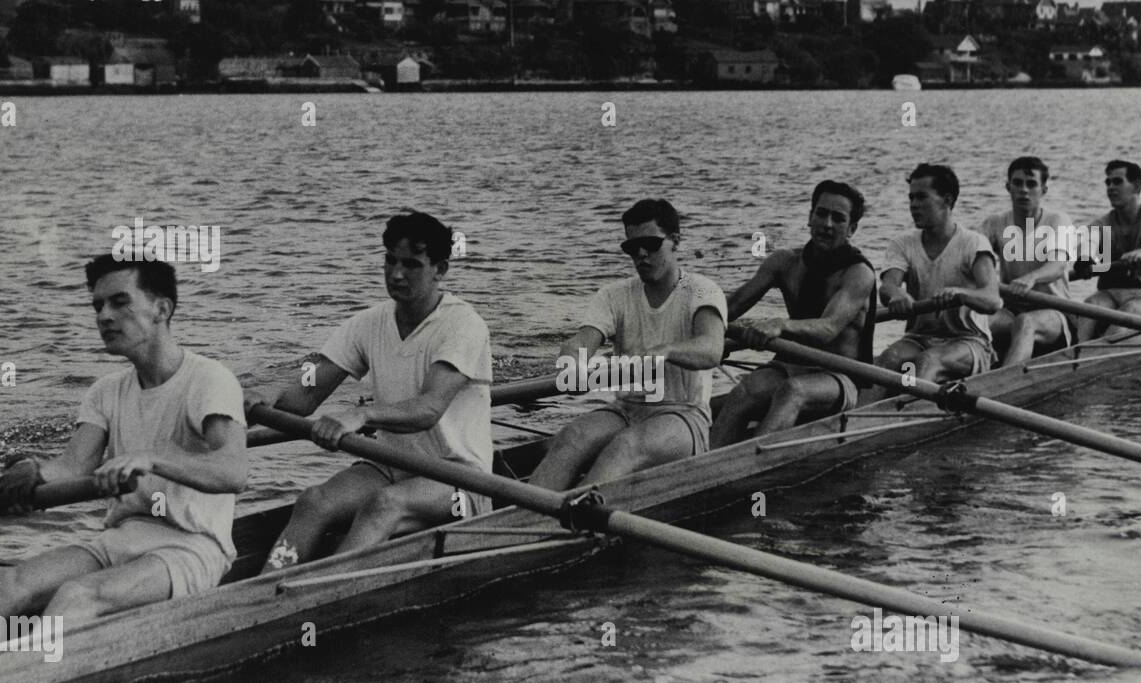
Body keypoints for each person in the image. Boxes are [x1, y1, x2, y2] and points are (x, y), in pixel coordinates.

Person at [0, 256, 247, 628]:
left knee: (76, 596)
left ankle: (32, 678)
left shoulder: (210, 379)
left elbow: (234, 472)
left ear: (162, 309)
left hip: (192, 548)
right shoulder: (105, 391)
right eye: (98, 305)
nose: (104, 316)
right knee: (8, 584)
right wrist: (32, 470)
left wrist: (151, 459)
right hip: (120, 539)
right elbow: (72, 467)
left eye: (119, 302)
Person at [246, 212, 492, 569]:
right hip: (391, 465)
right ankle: (267, 587)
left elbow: (429, 408)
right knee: (314, 501)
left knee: (382, 505)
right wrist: (269, 394)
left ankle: (313, 599)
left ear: (440, 269)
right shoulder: (369, 323)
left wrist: (362, 414)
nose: (396, 274)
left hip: (458, 481)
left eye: (411, 264)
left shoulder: (463, 325)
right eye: (390, 260)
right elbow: (307, 394)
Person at [530, 199, 726, 491]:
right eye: (632, 248)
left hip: (683, 416)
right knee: (571, 437)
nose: (641, 254)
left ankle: (574, 524)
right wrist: (573, 361)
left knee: (625, 447)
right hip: (627, 409)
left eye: (650, 244)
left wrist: (666, 351)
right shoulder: (614, 295)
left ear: (675, 241)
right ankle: (514, 525)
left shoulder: (701, 289)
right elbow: (582, 341)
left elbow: (711, 349)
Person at [711, 179, 876, 447]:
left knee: (792, 392)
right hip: (789, 366)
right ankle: (704, 466)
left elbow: (828, 328)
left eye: (838, 218)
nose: (827, 224)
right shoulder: (784, 262)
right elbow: (731, 307)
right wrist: (702, 328)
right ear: (810, 217)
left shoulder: (858, 274)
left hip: (838, 376)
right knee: (743, 391)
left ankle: (750, 464)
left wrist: (780, 325)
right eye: (821, 213)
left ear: (852, 229)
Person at [868, 163, 1001, 396]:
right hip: (918, 339)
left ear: (947, 200)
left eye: (921, 198)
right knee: (888, 360)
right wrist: (896, 294)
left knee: (927, 362)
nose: (913, 206)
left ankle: (907, 419)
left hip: (969, 344)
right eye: (911, 198)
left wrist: (960, 294)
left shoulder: (974, 243)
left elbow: (992, 300)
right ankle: (855, 426)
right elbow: (888, 286)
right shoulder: (902, 243)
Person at [979, 156, 1076, 367]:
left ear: (1044, 190)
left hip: (1055, 313)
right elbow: (970, 258)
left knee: (1026, 322)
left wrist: (1031, 278)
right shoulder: (994, 223)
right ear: (1008, 187)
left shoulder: (1059, 220)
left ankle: (1003, 382)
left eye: (1031, 184)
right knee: (976, 319)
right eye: (1017, 183)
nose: (1024, 190)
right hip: (1011, 308)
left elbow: (1058, 265)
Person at [1075, 160, 1141, 342]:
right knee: (1090, 306)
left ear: (1136, 186)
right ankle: (1077, 353)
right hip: (1109, 293)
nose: (1110, 187)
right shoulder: (1102, 223)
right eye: (1108, 182)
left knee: (1130, 311)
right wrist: (1085, 257)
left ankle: (1090, 358)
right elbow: (1089, 239)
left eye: (1117, 182)